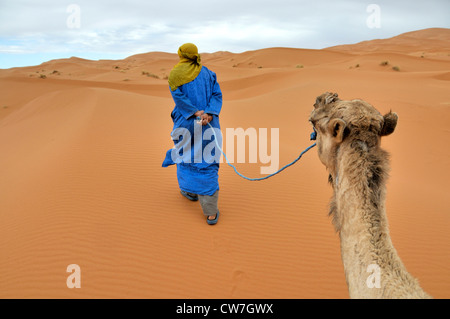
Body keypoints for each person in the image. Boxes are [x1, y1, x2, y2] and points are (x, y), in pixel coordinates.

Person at [162, 43, 223, 225]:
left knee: (185, 156)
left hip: (186, 122)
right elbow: (216, 95)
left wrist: (195, 113)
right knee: (207, 161)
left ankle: (189, 191)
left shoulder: (175, 74)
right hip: (209, 123)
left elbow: (179, 98)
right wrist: (209, 114)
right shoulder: (208, 74)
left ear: (181, 55)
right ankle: (210, 212)